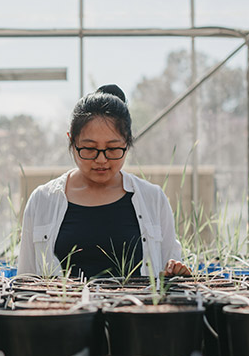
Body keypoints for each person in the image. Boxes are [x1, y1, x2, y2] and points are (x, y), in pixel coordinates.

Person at [17, 84, 191, 278]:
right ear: (72, 141)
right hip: (63, 309)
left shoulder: (152, 199)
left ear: (127, 142)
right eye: (89, 148)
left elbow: (170, 270)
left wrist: (176, 272)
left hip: (137, 308)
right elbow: (26, 279)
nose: (101, 159)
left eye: (113, 148)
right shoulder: (43, 200)